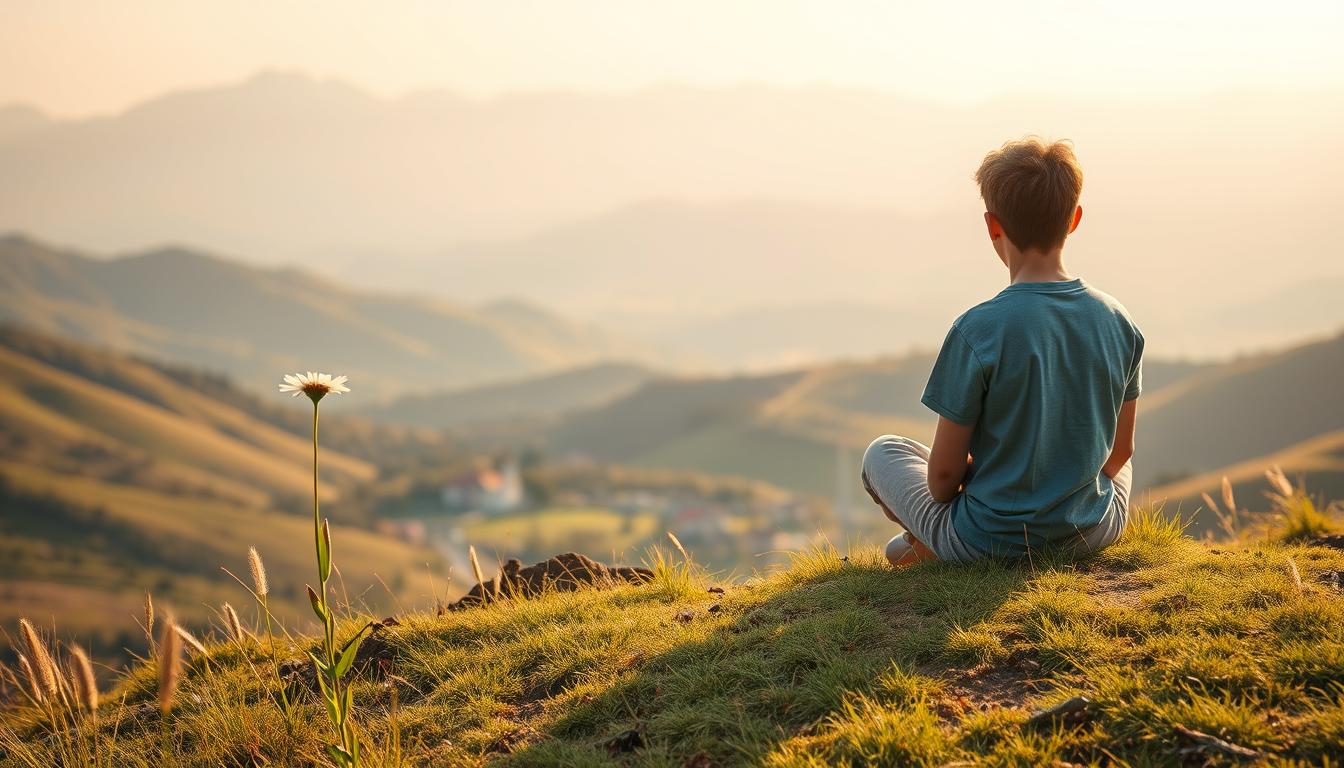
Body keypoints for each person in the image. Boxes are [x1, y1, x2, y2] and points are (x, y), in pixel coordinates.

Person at [862, 137, 1143, 566]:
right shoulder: (1119, 321)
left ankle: (932, 547)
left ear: (993, 225)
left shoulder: (977, 329)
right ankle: (931, 548)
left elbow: (940, 481)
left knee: (883, 452)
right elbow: (1119, 453)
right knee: (1119, 472)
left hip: (991, 542)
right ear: (1074, 220)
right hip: (1090, 532)